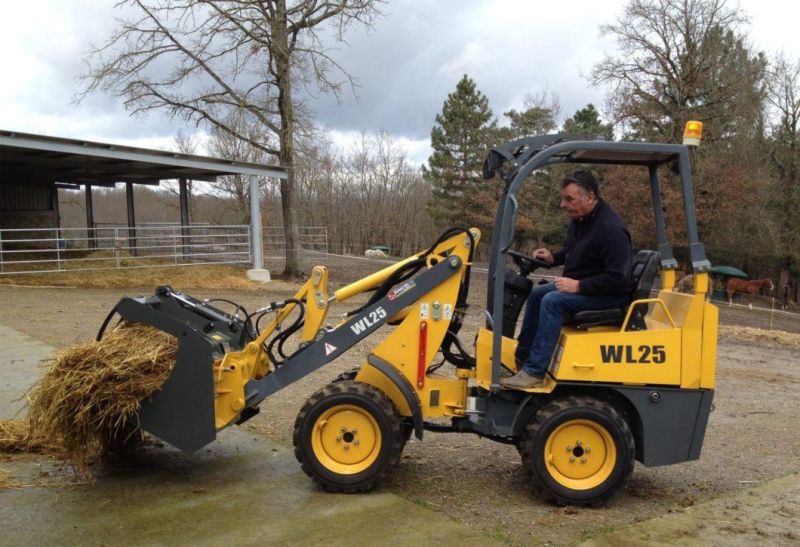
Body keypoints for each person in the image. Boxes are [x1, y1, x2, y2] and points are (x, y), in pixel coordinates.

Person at [501, 170, 633, 390]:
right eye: (563, 198)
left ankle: (534, 372)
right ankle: (523, 360)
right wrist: (553, 257)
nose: (563, 204)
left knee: (553, 301)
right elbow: (574, 251)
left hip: (609, 295)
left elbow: (618, 278)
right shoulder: (580, 220)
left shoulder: (611, 229)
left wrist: (579, 286)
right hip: (587, 287)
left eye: (569, 199)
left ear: (589, 197)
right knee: (536, 294)